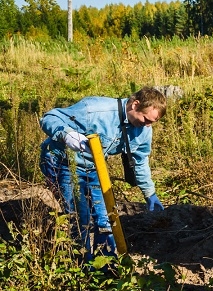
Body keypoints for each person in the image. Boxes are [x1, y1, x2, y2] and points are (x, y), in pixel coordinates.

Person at [39, 87, 167, 260]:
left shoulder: (144, 130)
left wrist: (150, 193)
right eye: (146, 119)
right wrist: (67, 135)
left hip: (93, 167)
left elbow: (140, 161)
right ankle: (82, 265)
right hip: (61, 162)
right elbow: (49, 117)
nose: (148, 126)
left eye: (152, 122)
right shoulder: (94, 110)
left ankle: (106, 264)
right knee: (79, 217)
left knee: (105, 218)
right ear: (135, 105)